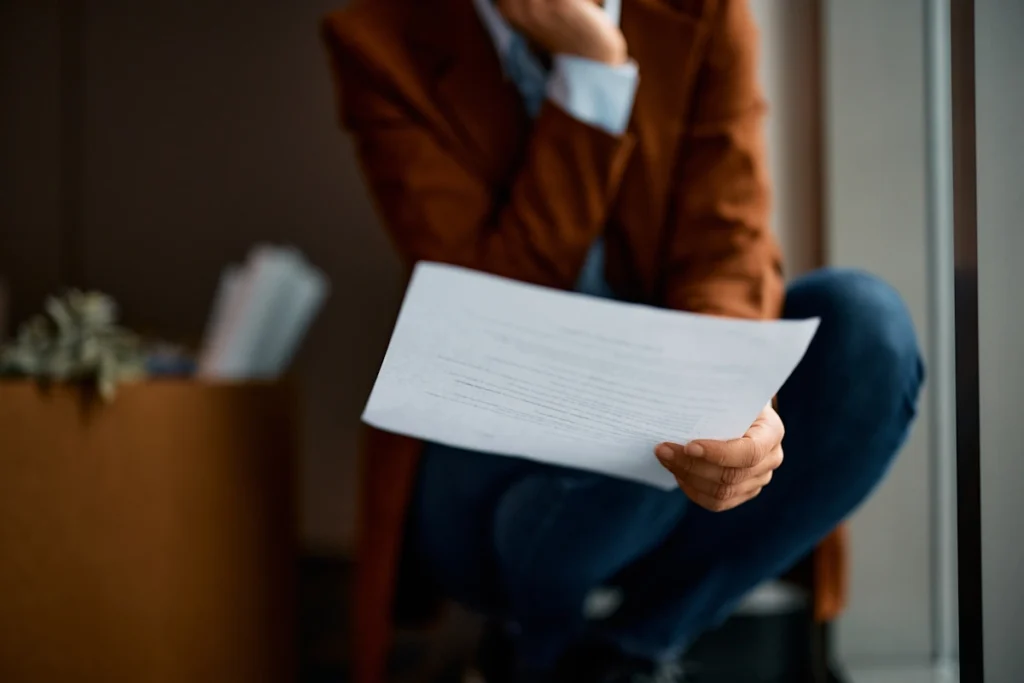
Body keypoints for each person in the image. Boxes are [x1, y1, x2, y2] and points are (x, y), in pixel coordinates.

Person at [322, 0, 924, 681]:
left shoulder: (704, 12)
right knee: (638, 429)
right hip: (488, 460)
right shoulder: (378, 39)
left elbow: (726, 244)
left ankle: (623, 653)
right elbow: (489, 318)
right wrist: (592, 75)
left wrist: (738, 398)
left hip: (652, 458)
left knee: (867, 328)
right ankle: (543, 647)